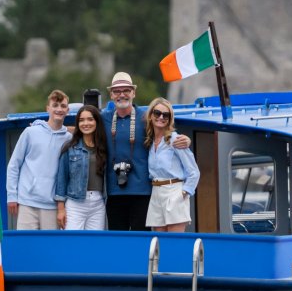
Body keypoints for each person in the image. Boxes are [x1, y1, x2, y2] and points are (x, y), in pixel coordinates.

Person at [104, 72, 190, 231]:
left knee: (142, 241)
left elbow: (165, 127)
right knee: (118, 241)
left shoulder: (146, 117)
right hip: (114, 191)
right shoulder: (104, 118)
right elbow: (83, 127)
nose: (122, 94)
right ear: (111, 95)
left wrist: (185, 139)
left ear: (133, 93)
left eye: (126, 90)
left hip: (142, 191)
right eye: (117, 91)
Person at [6, 89, 71, 230]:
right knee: (26, 246)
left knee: (49, 249)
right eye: (55, 105)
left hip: (52, 205)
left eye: (63, 106)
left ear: (68, 110)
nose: (59, 109)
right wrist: (12, 196)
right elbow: (14, 165)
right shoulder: (30, 132)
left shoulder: (69, 139)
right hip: (27, 202)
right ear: (48, 108)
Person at [144, 97, 199, 232]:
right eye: (157, 113)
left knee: (175, 243)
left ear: (170, 118)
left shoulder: (175, 139)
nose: (161, 117)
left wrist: (183, 193)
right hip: (156, 193)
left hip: (174, 191)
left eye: (166, 115)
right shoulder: (149, 141)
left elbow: (194, 172)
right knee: (159, 243)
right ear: (151, 115)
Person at [53, 105, 108, 230]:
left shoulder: (104, 147)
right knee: (72, 243)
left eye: (90, 119)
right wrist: (61, 209)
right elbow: (61, 178)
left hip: (98, 203)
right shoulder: (69, 148)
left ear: (96, 122)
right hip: (75, 203)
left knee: (94, 245)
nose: (86, 123)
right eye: (81, 120)